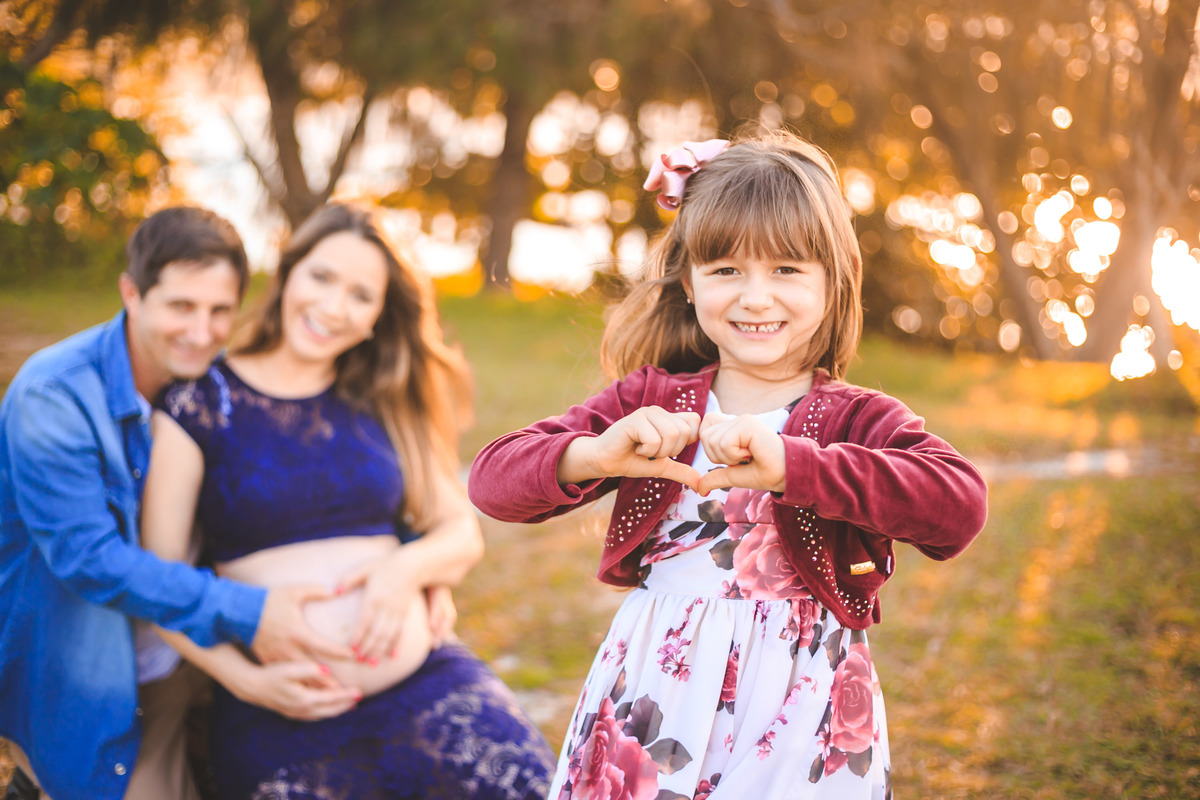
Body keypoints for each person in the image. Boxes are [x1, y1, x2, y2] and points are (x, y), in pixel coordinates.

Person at [468, 132, 989, 799]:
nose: (755, 297)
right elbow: (492, 480)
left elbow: (959, 507)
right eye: (726, 270)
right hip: (657, 695)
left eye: (787, 270)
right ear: (689, 281)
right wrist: (594, 454)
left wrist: (797, 469)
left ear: (833, 282)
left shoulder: (857, 419)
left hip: (802, 706)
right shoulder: (652, 401)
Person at [140, 202, 556, 799]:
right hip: (279, 709)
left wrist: (403, 571)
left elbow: (460, 533)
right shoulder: (199, 404)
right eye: (322, 277)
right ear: (289, 273)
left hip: (426, 686)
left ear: (377, 317)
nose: (334, 307)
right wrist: (243, 681)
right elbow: (157, 581)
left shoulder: (381, 400)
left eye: (360, 296)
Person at [0, 207, 360, 800]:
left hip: (192, 653)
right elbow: (90, 561)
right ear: (132, 294)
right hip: (94, 671)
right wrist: (251, 610)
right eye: (181, 306)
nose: (201, 331)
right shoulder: (54, 398)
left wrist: (413, 567)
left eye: (220, 310)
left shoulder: (216, 388)